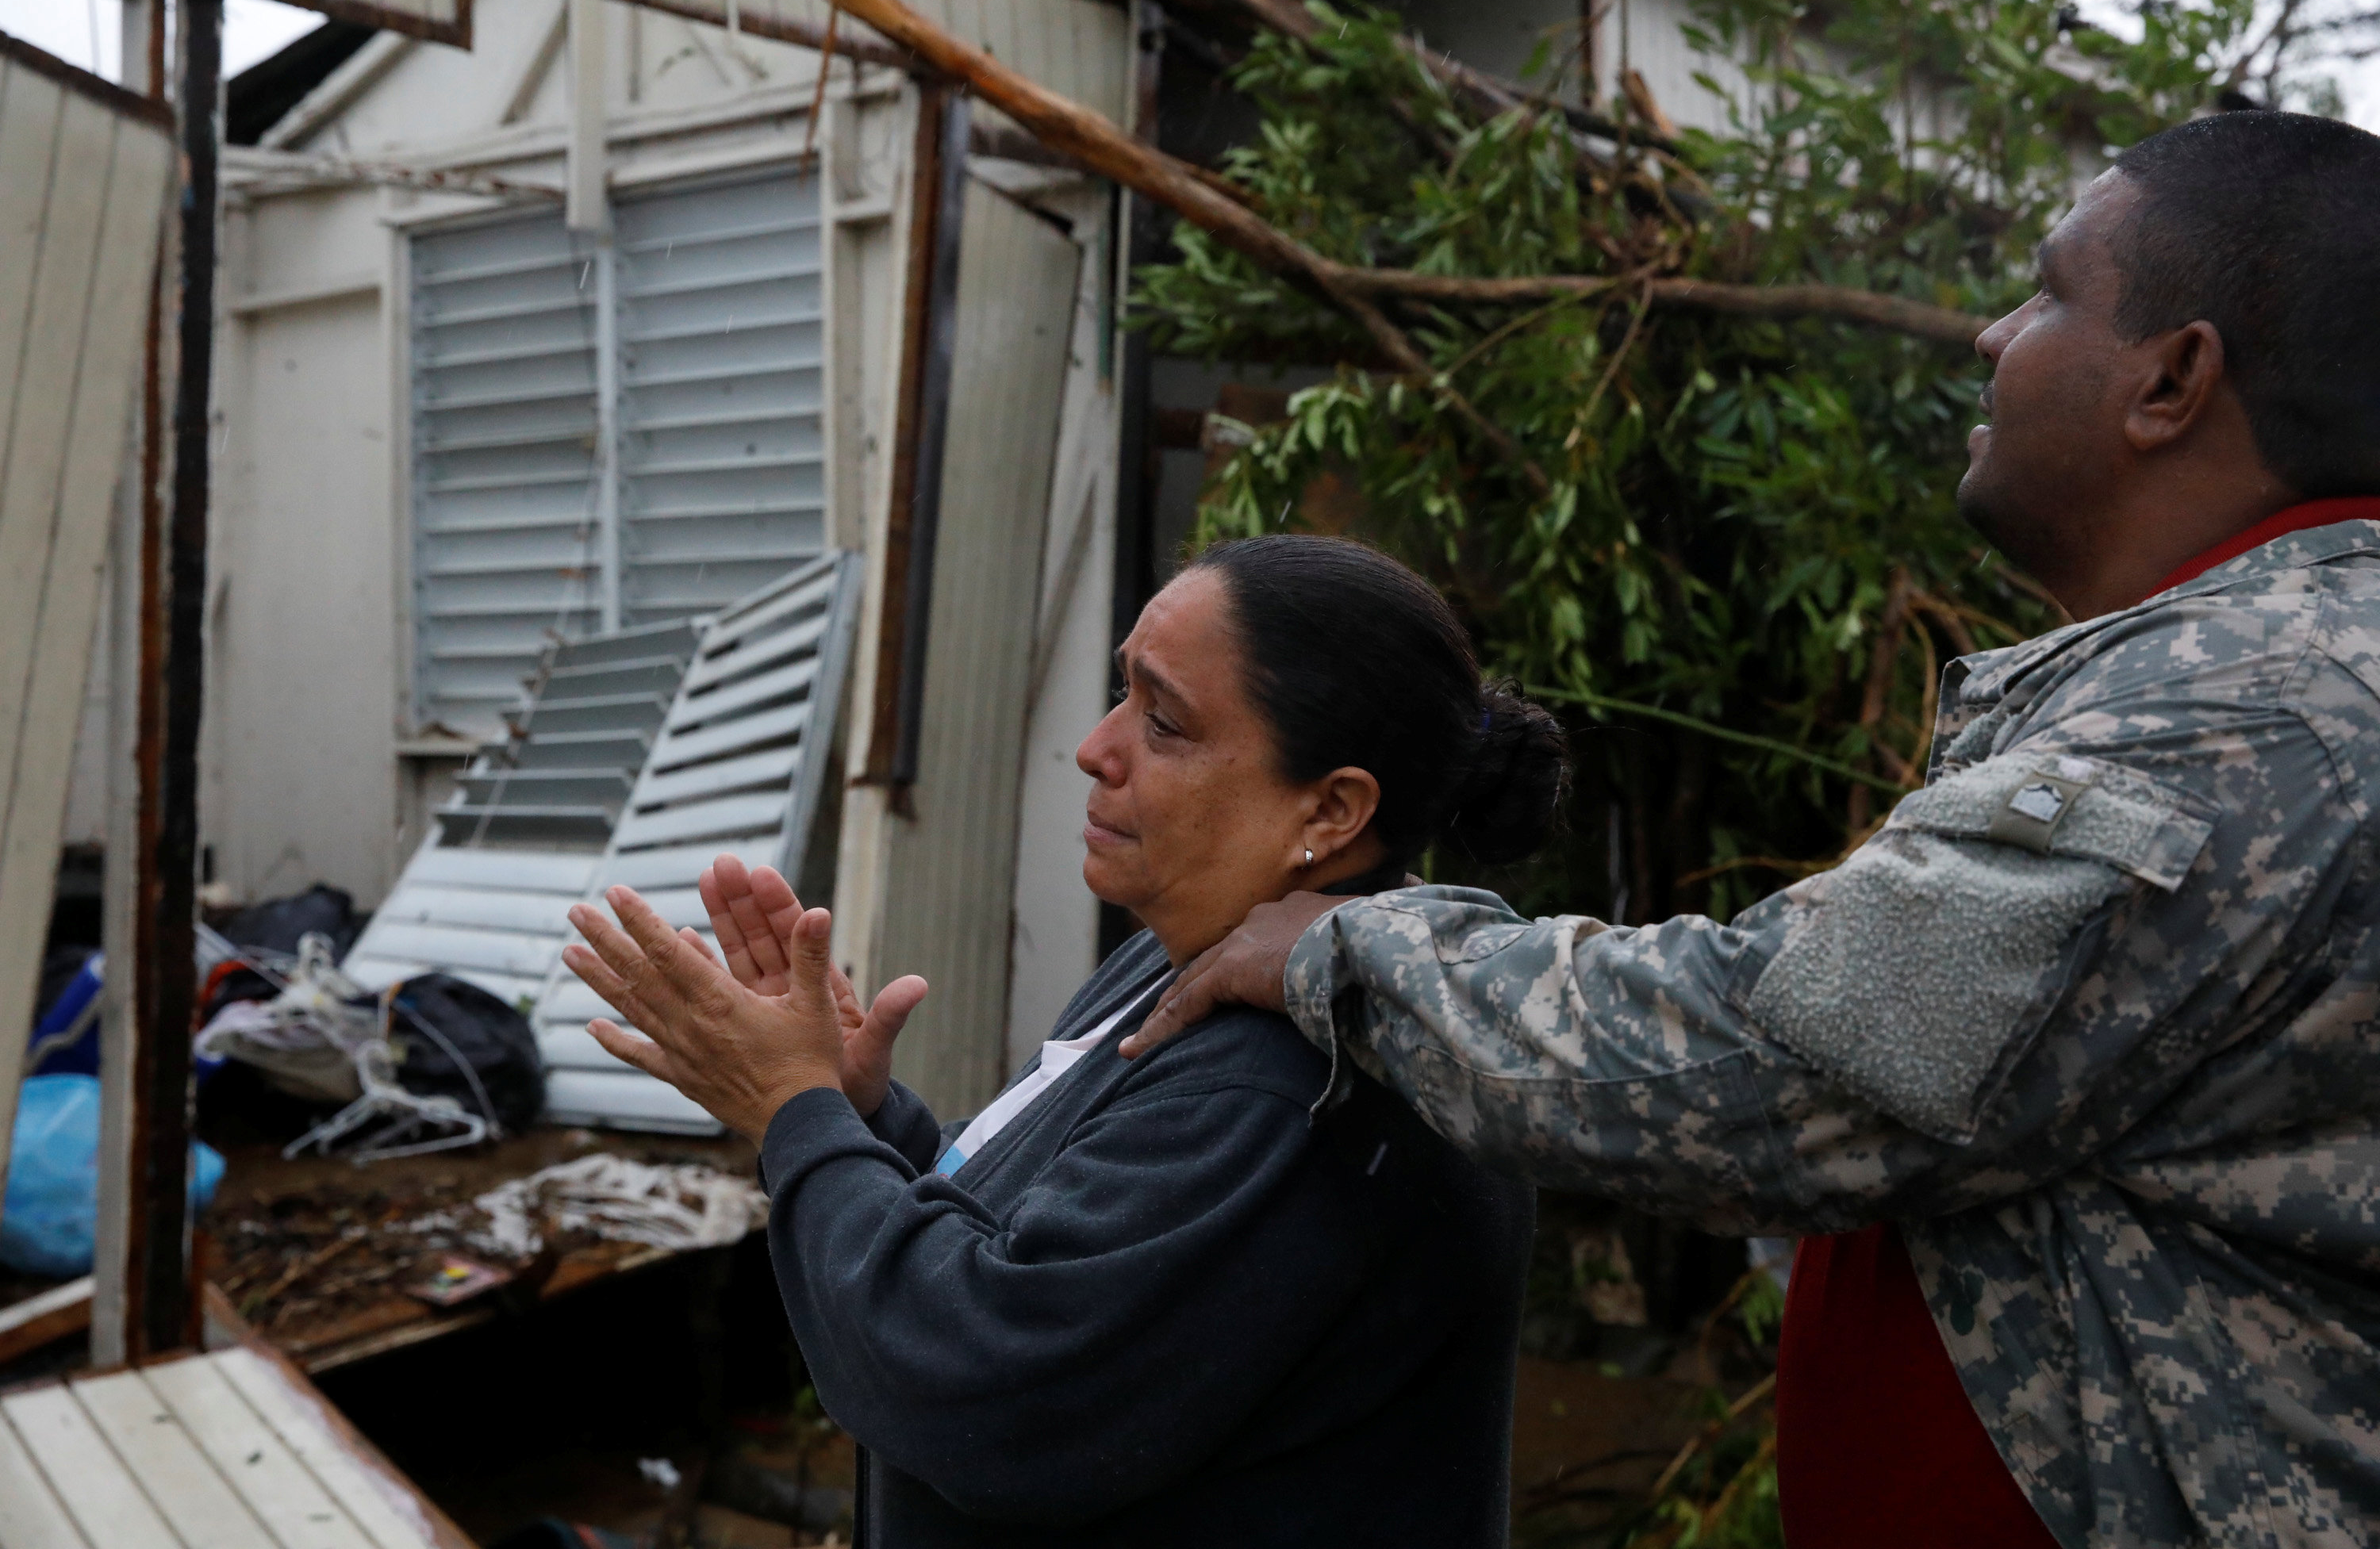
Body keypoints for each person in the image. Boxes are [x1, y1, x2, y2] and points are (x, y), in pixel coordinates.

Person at [1126, 110, 2380, 1548]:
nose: (1990, 335)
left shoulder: (2250, 717)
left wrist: (1353, 949)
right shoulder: (2281, 674)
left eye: (2046, 293)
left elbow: (1766, 1070)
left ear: (2171, 378)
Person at [559, 536, 1568, 1547]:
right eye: (1120, 690)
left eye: (1164, 721)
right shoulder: (1197, 958)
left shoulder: (1293, 1081)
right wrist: (868, 1116)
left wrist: (797, 1114)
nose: (1097, 746)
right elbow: (1057, 1242)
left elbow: (974, 1383)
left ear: (1332, 808)